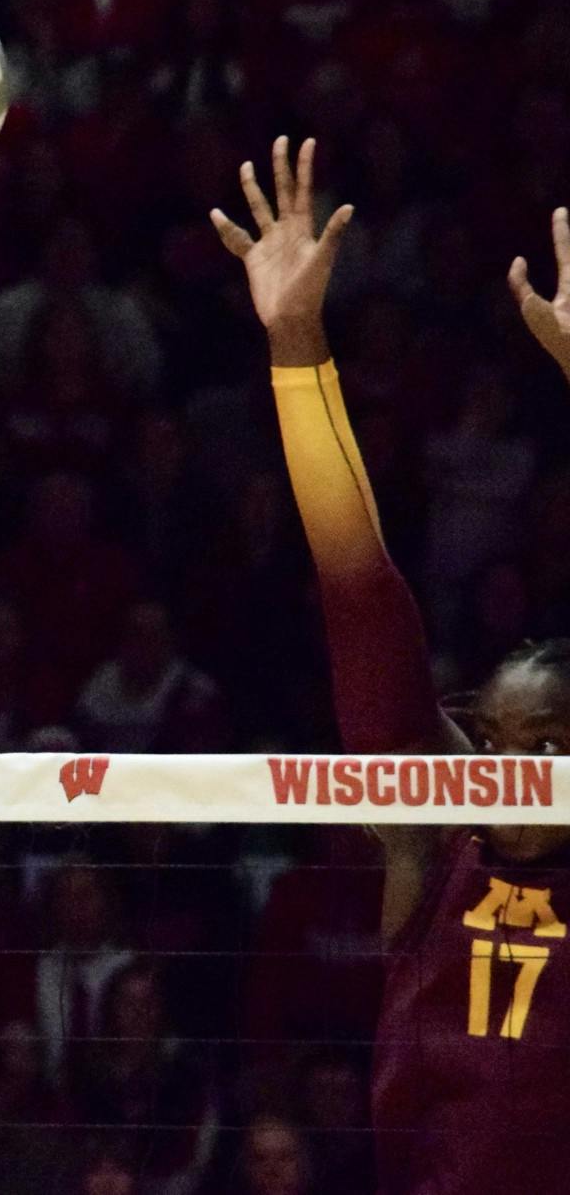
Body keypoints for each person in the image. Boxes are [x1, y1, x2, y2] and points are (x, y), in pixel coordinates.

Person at [211, 135, 570, 1193]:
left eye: (545, 747)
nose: (506, 767)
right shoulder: (433, 835)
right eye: (493, 739)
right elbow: (357, 586)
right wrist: (295, 344)